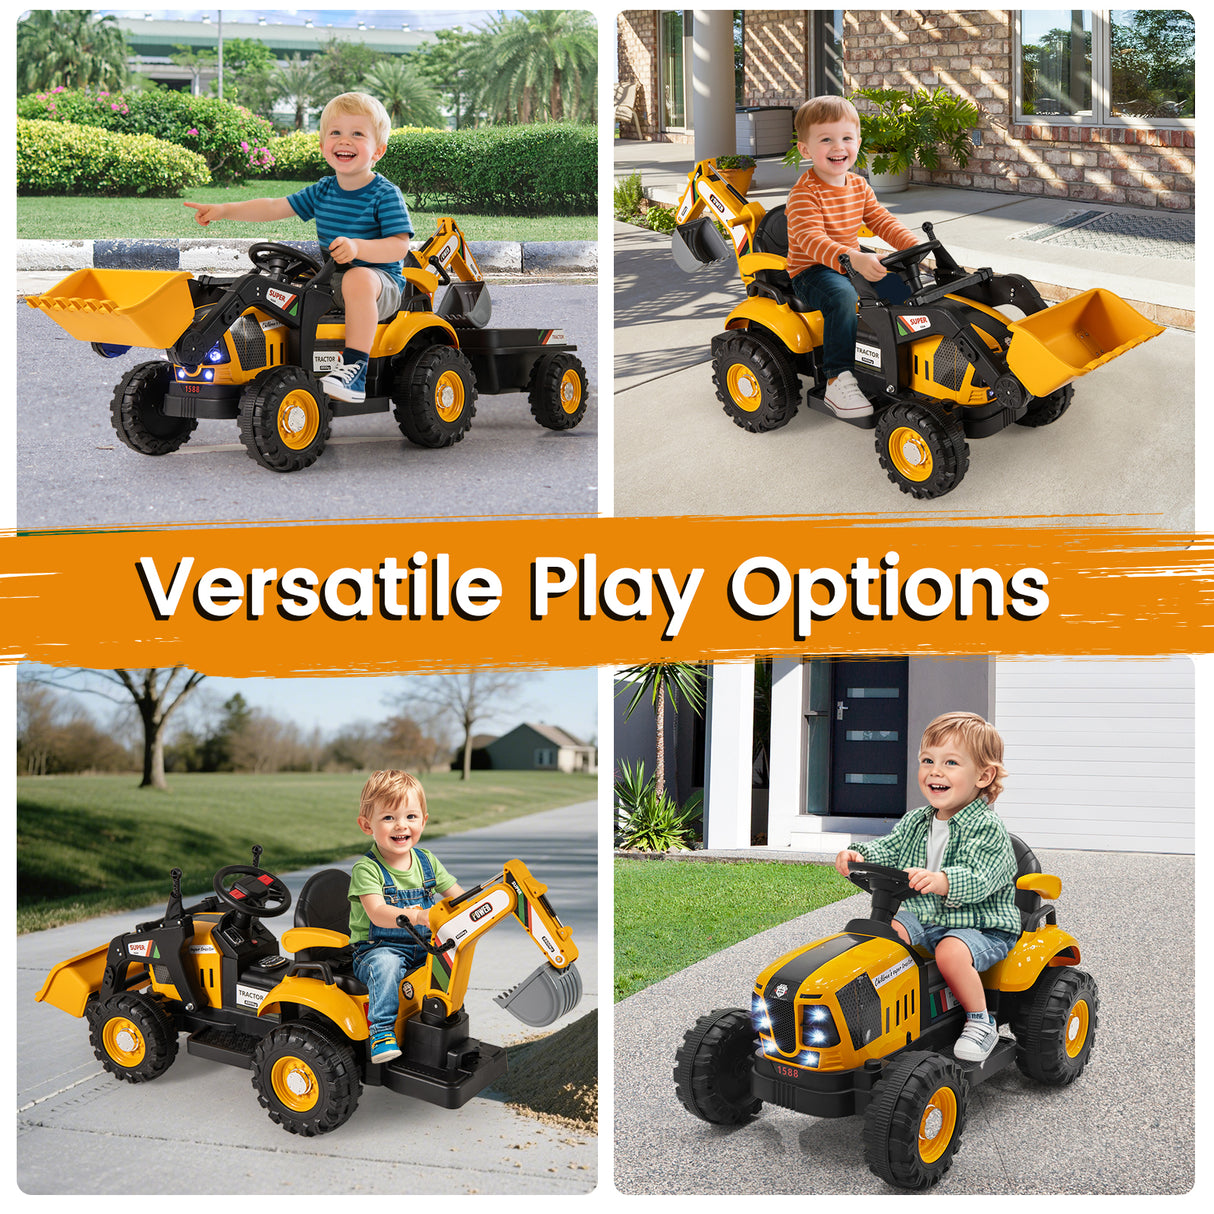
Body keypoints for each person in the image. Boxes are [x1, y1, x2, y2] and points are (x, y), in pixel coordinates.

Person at [184, 91, 413, 405]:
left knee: (358, 278)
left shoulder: (384, 194)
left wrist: (358, 248)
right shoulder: (323, 191)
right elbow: (274, 207)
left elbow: (399, 247)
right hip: (331, 283)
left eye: (357, 134)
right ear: (322, 146)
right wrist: (224, 210)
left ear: (378, 151)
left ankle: (355, 369)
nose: (345, 140)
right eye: (336, 133)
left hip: (379, 287)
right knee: (270, 287)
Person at [835, 711, 1020, 1062]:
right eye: (927, 760)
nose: (935, 771)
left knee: (951, 952)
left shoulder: (987, 828)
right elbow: (888, 849)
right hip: (927, 916)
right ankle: (871, 1017)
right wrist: (859, 854)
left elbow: (980, 877)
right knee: (881, 936)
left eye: (950, 762)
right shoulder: (916, 821)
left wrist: (943, 880)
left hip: (980, 925)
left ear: (984, 775)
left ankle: (981, 1022)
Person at [785, 95, 921, 420]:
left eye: (846, 138)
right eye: (826, 139)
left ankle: (899, 352)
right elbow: (810, 239)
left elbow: (882, 221)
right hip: (812, 270)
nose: (838, 146)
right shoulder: (804, 193)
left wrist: (912, 245)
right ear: (806, 150)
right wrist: (851, 258)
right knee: (844, 297)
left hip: (850, 260)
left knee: (900, 287)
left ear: (858, 142)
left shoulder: (859, 186)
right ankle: (837, 379)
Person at [347, 770, 465, 1064]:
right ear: (366, 825)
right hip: (377, 949)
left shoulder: (427, 861)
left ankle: (440, 1021)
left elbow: (458, 898)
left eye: (410, 816)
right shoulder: (367, 869)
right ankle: (382, 1032)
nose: (401, 825)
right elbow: (377, 913)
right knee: (386, 965)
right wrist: (419, 915)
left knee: (452, 956)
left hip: (422, 946)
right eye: (388, 818)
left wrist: (480, 909)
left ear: (423, 820)